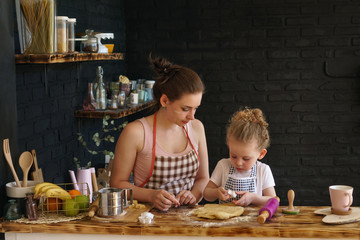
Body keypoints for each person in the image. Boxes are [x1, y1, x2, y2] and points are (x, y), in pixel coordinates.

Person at [110, 55, 209, 211]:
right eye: (185, 109)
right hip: (148, 220)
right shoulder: (136, 132)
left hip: (190, 220)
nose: (192, 116)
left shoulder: (196, 128)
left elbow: (203, 179)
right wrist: (151, 195)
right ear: (164, 101)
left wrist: (193, 195)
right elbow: (117, 184)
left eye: (195, 108)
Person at [203, 107, 276, 206]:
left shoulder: (263, 170)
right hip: (225, 219)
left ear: (261, 154)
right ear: (229, 146)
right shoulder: (223, 165)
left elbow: (273, 201)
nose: (238, 162)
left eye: (246, 158)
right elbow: (206, 194)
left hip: (253, 220)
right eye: (233, 156)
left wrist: (254, 198)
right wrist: (216, 192)